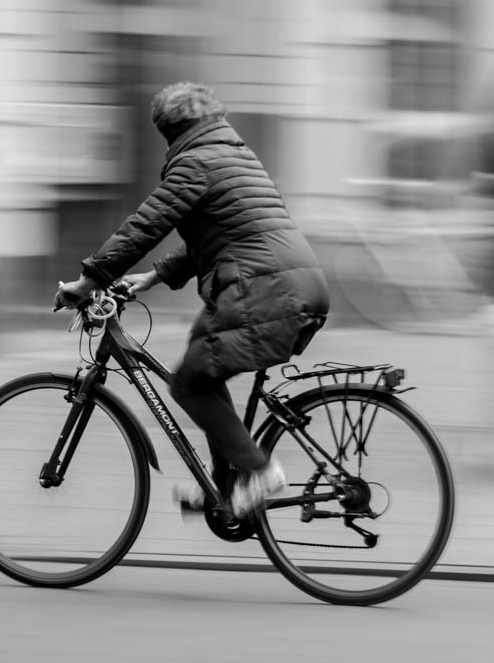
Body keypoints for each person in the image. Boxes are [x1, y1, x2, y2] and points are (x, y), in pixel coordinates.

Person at [54, 82, 330, 516]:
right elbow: (225, 230)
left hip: (264, 293)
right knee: (203, 353)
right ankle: (226, 484)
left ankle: (259, 471)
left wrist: (89, 281)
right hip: (297, 285)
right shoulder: (235, 154)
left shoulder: (194, 162)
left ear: (169, 131)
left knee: (187, 383)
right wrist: (155, 276)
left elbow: (146, 225)